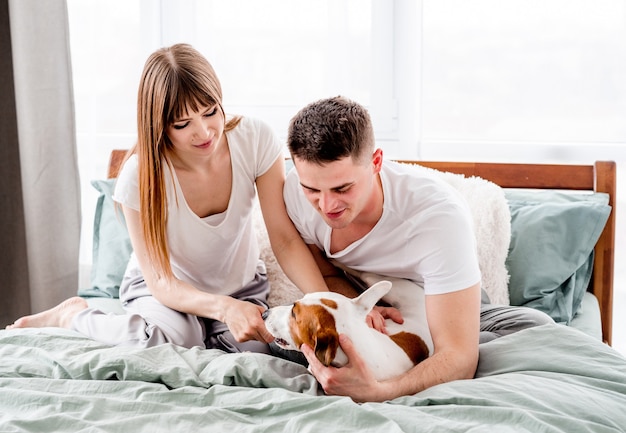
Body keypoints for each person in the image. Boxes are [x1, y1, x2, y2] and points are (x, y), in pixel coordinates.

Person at [5, 43, 337, 354]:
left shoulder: (255, 139)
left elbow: (284, 241)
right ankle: (73, 315)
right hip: (164, 292)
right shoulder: (141, 176)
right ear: (160, 125)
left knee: (259, 352)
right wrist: (223, 308)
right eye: (183, 123)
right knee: (175, 340)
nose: (204, 132)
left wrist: (328, 305)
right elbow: (161, 281)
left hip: (240, 286)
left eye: (210, 112)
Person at [283, 95, 555, 401]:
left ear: (375, 162)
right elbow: (325, 272)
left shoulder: (437, 216)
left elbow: (458, 356)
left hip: (442, 309)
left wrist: (381, 392)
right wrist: (358, 306)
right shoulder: (295, 191)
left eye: (342, 188)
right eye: (312, 190)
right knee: (280, 344)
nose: (327, 205)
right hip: (368, 307)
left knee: (537, 334)